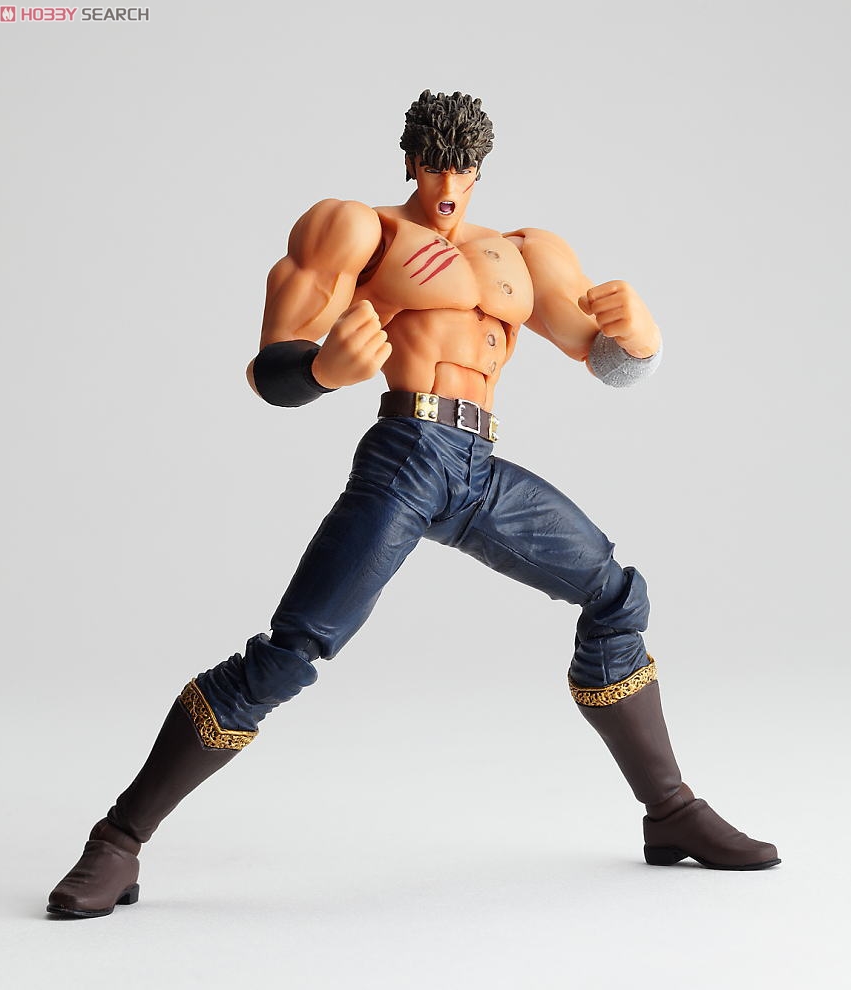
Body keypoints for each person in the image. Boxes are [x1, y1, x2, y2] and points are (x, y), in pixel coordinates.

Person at [47, 90, 779, 919]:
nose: (446, 188)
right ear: (409, 161)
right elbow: (270, 369)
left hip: (478, 466)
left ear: (481, 169)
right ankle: (117, 841)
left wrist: (641, 339)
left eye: (462, 171)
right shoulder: (359, 230)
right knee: (289, 653)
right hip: (406, 455)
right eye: (433, 168)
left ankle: (670, 812)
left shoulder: (523, 253)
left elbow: (604, 358)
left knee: (614, 595)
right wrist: (320, 370)